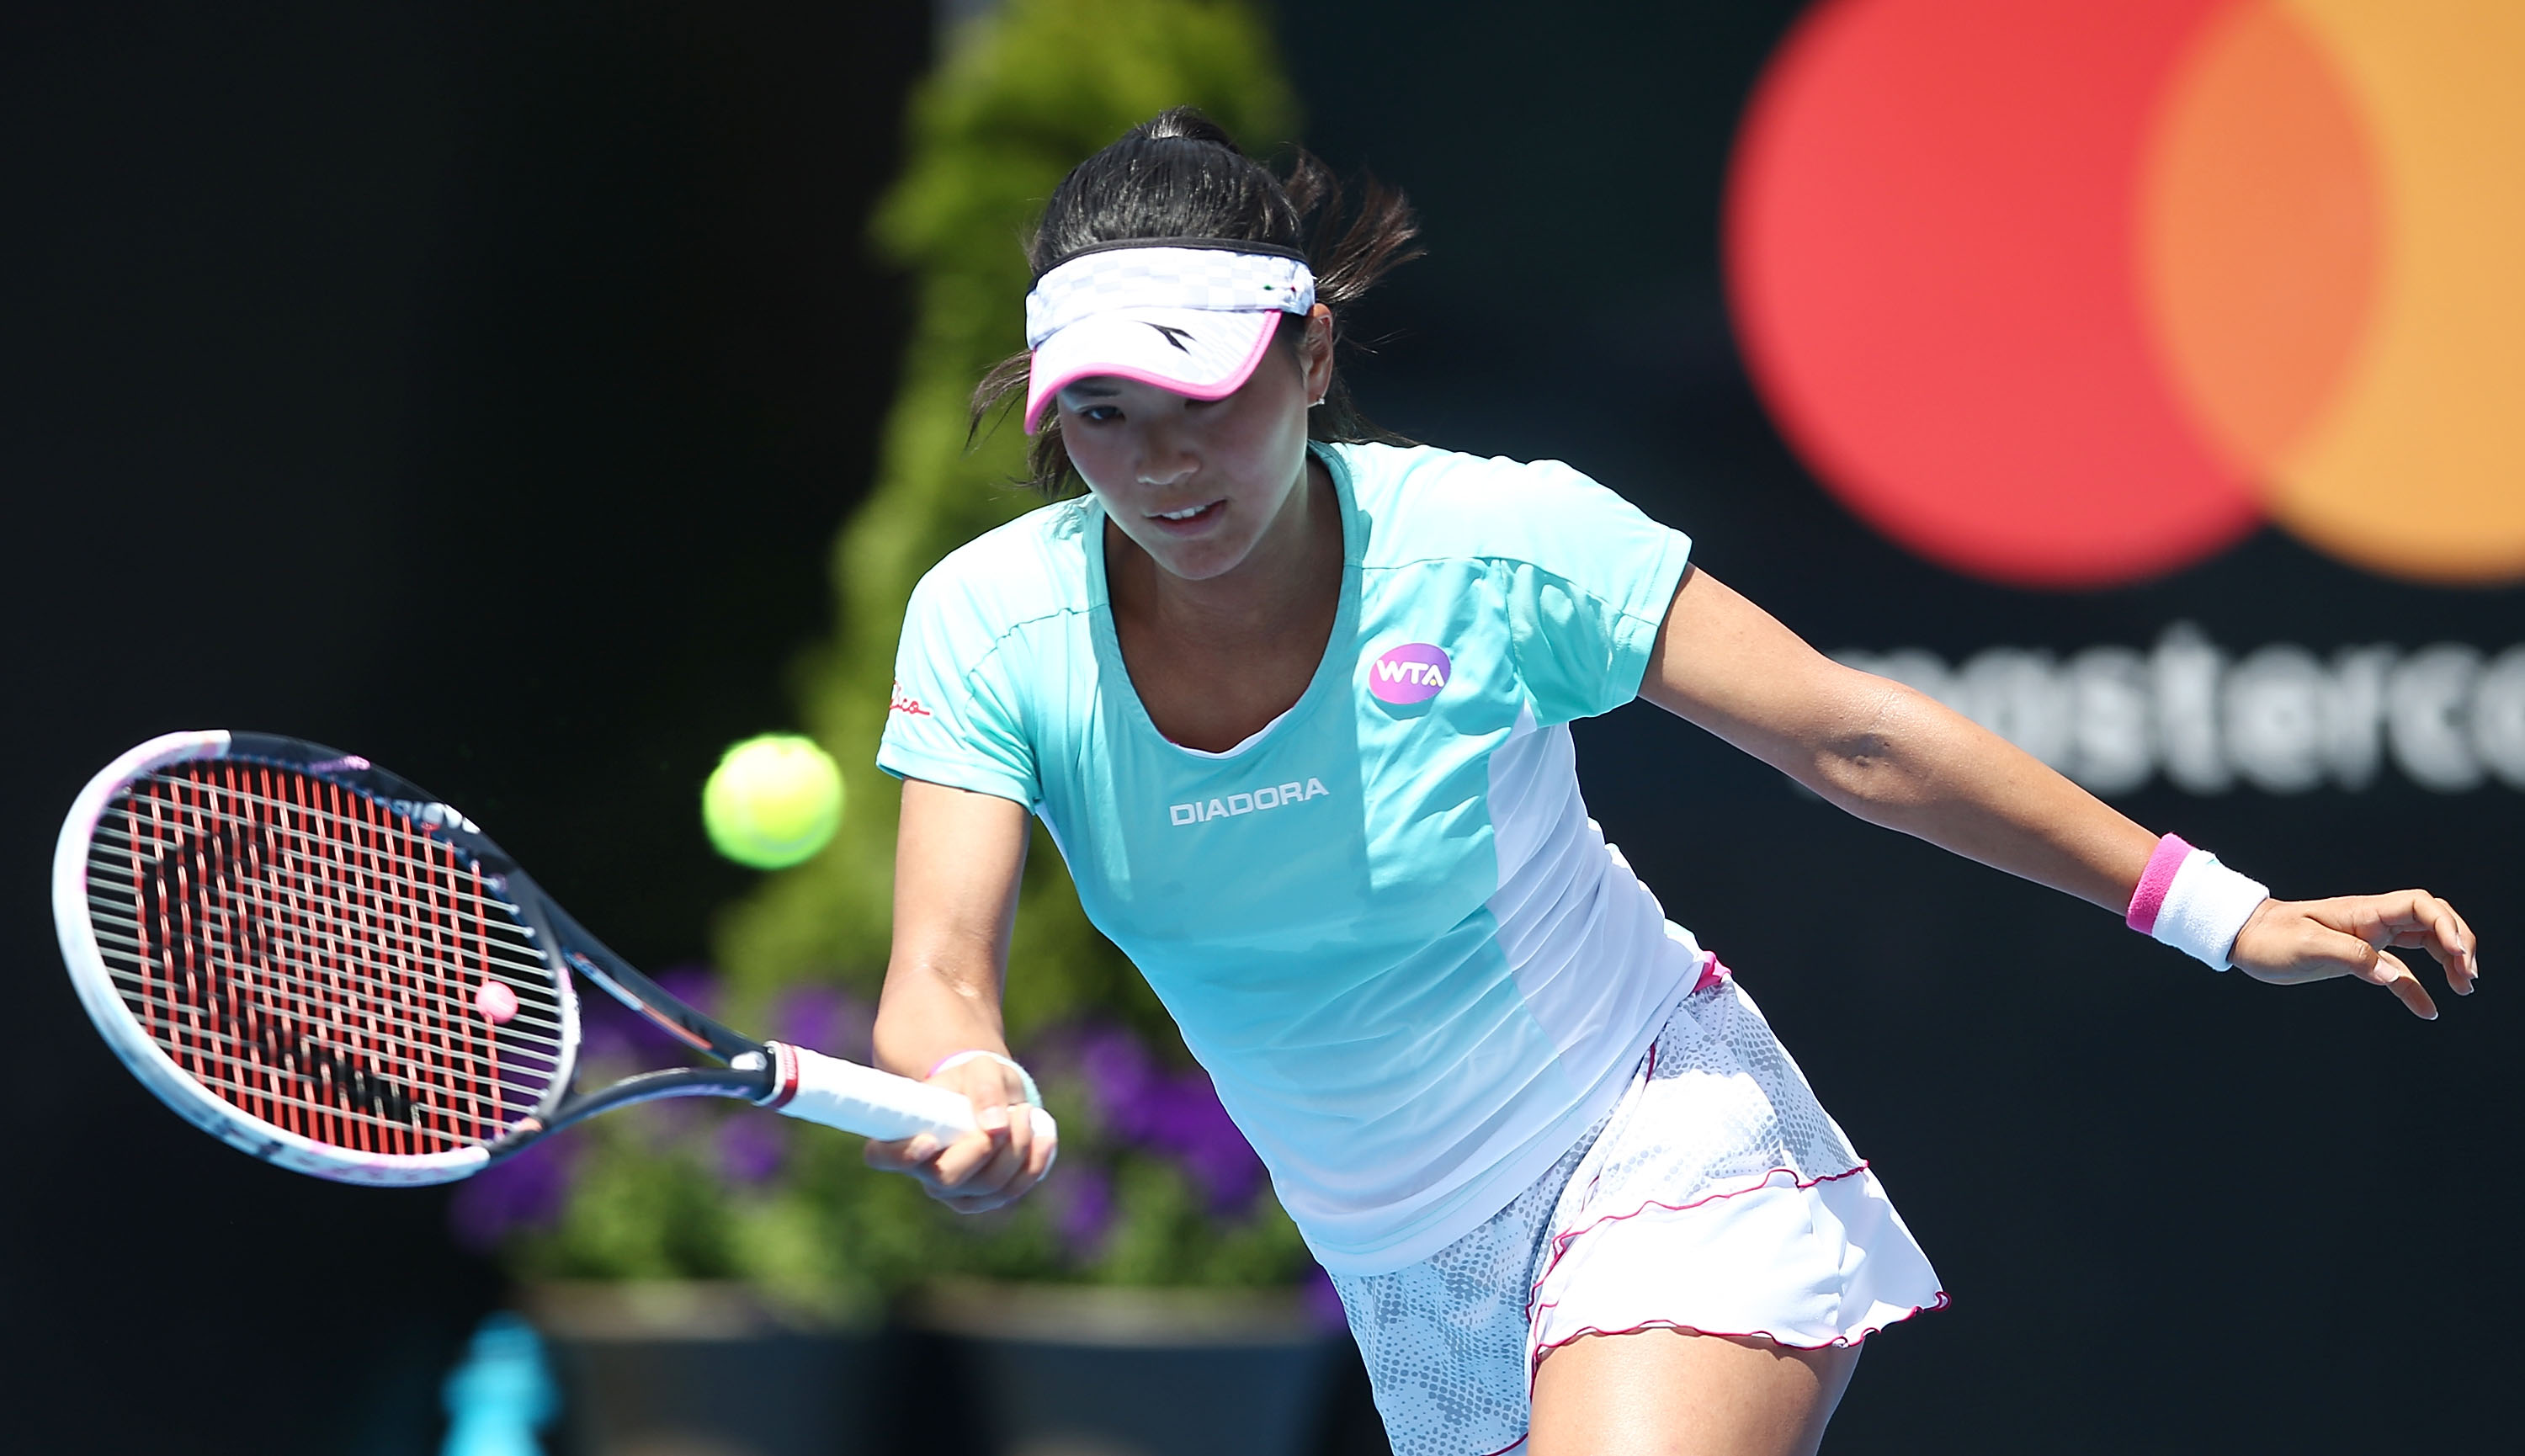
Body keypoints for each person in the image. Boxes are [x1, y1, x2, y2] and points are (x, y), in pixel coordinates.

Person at [860, 109, 2478, 1456]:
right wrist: (971, 1073)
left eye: (1201, 400)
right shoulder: (993, 626)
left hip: (1644, 1142)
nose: (1159, 467)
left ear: (1308, 353)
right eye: (1104, 418)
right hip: (1404, 1267)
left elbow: (1848, 732)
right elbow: (939, 975)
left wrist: (2221, 911)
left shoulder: (1499, 544)